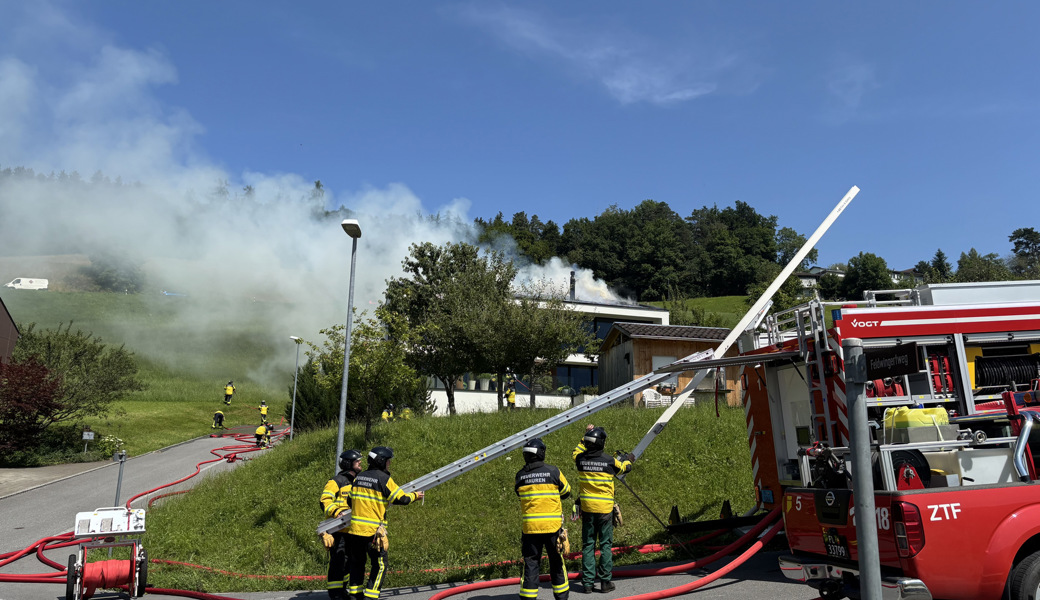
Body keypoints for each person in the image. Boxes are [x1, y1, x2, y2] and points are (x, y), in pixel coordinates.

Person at [345, 446, 424, 600]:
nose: (390, 464)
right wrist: (415, 495)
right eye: (388, 461)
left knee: (357, 564)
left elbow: (350, 501)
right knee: (380, 565)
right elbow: (402, 499)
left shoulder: (358, 478)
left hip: (355, 532)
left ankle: (355, 595)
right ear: (381, 461)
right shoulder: (383, 479)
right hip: (374, 533)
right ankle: (371, 596)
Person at [572, 426, 632, 594]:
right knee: (605, 544)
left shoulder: (580, 460)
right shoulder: (609, 461)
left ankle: (588, 584)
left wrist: (584, 436)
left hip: (587, 509)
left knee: (588, 545)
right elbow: (625, 468)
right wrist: (628, 459)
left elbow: (575, 452)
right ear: (602, 444)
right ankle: (605, 582)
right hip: (605, 510)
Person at [515, 438, 571, 600]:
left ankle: (528, 597)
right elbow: (566, 492)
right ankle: (561, 597)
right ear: (541, 453)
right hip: (553, 528)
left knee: (531, 564)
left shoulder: (520, 476)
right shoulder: (554, 472)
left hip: (530, 529)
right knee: (556, 562)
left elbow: (519, 494)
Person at [320, 450, 364, 600]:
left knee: (351, 561)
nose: (360, 464)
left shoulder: (360, 481)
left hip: (354, 530)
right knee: (338, 561)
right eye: (358, 461)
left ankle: (345, 590)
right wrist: (336, 511)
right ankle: (336, 593)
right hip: (338, 530)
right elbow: (325, 500)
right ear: (348, 463)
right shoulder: (336, 481)